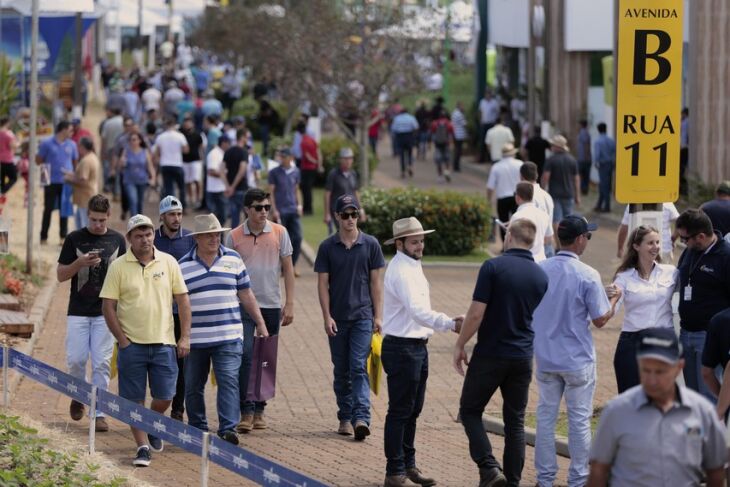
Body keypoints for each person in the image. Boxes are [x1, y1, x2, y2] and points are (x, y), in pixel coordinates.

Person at [453, 219, 549, 487]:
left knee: (470, 410)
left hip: (491, 353)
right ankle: (513, 482)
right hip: (522, 356)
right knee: (515, 423)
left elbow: (476, 314)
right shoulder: (541, 276)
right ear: (532, 241)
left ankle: (489, 468)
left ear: (509, 237)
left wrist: (460, 345)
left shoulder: (493, 267)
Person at [532, 215, 620, 487]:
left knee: (545, 418)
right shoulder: (588, 274)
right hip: (577, 359)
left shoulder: (540, 269)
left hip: (546, 356)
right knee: (579, 421)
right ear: (580, 239)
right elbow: (600, 319)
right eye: (587, 237)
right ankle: (579, 479)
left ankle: (545, 479)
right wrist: (615, 299)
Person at [100, 214, 191, 467]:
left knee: (166, 396)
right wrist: (122, 339)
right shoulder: (118, 266)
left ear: (154, 234)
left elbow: (183, 300)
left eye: (148, 234)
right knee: (133, 400)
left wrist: (185, 336)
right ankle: (142, 447)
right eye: (138, 235)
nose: (145, 239)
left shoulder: (169, 262)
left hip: (164, 342)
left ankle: (151, 423)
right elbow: (108, 306)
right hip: (132, 345)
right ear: (129, 238)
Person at [381, 217, 464, 487]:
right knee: (401, 410)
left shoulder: (411, 265)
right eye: (415, 241)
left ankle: (407, 465)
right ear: (400, 243)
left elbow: (418, 311)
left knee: (412, 410)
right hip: (402, 347)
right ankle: (395, 471)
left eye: (422, 240)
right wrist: (450, 323)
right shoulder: (402, 270)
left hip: (415, 345)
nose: (420, 245)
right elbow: (417, 310)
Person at [587, 327, 726, 487]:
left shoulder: (702, 413)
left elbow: (715, 472)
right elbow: (598, 472)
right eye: (646, 370)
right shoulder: (617, 412)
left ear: (679, 367)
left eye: (660, 372)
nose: (652, 380)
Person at [179, 214, 267, 445]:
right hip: (196, 339)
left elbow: (246, 294)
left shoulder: (234, 259)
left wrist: (260, 322)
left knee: (228, 380)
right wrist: (182, 336)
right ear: (197, 238)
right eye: (208, 235)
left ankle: (228, 428)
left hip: (229, 336)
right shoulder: (182, 266)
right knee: (193, 385)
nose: (214, 238)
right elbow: (177, 304)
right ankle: (198, 428)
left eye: (217, 234)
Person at [314, 194, 385, 440]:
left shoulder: (371, 244)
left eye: (354, 214)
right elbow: (323, 285)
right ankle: (345, 416)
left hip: (363, 317)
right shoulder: (326, 247)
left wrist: (378, 315)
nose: (350, 219)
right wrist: (326, 316)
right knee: (341, 369)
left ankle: (361, 417)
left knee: (357, 366)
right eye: (345, 215)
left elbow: (376, 283)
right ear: (337, 216)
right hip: (337, 318)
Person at [226, 188, 295, 433]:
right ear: (247, 209)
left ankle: (259, 409)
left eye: (267, 207)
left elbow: (288, 269)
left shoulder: (280, 232)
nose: (264, 212)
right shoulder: (233, 236)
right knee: (245, 355)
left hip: (271, 304)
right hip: (241, 306)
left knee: (265, 357)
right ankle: (245, 409)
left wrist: (290, 303)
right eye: (258, 207)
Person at [57, 194, 126, 433]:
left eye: (102, 220)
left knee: (101, 363)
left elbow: (125, 276)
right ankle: (79, 394)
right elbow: (61, 275)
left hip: (105, 312)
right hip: (77, 309)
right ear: (88, 215)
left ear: (108, 217)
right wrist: (80, 263)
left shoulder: (117, 240)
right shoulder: (75, 238)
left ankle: (99, 412)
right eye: (94, 219)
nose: (98, 225)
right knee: (75, 359)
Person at [609, 226, 678, 393]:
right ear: (636, 246)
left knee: (661, 397)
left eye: (657, 242)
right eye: (650, 243)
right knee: (630, 398)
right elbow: (611, 310)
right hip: (632, 342)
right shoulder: (623, 277)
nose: (655, 247)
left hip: (663, 340)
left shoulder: (672, 273)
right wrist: (606, 296)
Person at [675, 209, 730, 400]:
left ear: (700, 236)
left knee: (709, 398)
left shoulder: (725, 256)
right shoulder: (690, 252)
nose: (683, 243)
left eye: (685, 239)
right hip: (686, 334)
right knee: (692, 398)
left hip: (709, 337)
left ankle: (714, 430)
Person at [154, 195, 195, 422]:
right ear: (162, 216)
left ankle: (178, 409)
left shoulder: (190, 239)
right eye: (172, 214)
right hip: (158, 312)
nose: (176, 218)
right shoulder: (153, 239)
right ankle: (159, 401)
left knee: (182, 361)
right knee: (160, 359)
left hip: (181, 311)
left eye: (179, 214)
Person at [37, 120, 79, 244]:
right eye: (70, 129)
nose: (72, 132)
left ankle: (63, 237)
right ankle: (43, 237)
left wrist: (73, 175)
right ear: (63, 129)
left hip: (66, 182)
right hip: (50, 181)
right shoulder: (47, 143)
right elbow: (39, 160)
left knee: (64, 209)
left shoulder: (72, 144)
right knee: (48, 209)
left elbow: (75, 161)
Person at [268, 148, 303, 271]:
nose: (282, 159)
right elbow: (271, 192)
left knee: (297, 237)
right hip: (281, 211)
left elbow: (296, 189)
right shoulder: (274, 172)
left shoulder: (296, 172)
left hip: (293, 209)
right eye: (281, 157)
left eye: (284, 157)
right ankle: (282, 266)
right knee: (281, 241)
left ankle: (291, 266)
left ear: (291, 158)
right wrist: (274, 209)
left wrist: (300, 205)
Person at [486, 143, 523, 242]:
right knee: (517, 221)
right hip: (517, 197)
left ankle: (505, 244)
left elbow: (490, 186)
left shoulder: (496, 166)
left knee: (503, 222)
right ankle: (517, 242)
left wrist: (488, 200)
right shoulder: (519, 164)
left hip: (502, 197)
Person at [324, 148, 365, 235]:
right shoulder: (333, 174)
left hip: (351, 210)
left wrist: (361, 209)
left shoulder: (353, 174)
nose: (348, 161)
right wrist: (327, 213)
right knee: (341, 235)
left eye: (350, 158)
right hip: (338, 211)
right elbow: (327, 194)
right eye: (345, 159)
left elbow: (356, 192)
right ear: (340, 160)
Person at [541, 135, 580, 227]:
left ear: (557, 147)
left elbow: (545, 177)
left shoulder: (551, 160)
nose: (551, 147)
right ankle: (567, 240)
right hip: (569, 194)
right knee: (569, 219)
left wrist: (542, 191)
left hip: (555, 195)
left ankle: (558, 241)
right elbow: (577, 179)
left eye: (552, 145)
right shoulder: (572, 160)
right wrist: (577, 195)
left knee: (556, 219)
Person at [510, 182, 553, 262]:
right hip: (541, 260)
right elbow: (548, 239)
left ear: (518, 197)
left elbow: (510, 243)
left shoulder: (517, 216)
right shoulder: (544, 215)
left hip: (523, 261)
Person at [63, 137, 99, 230]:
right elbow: (81, 175)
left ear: (82, 147)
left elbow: (83, 180)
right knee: (79, 224)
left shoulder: (86, 161)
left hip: (85, 197)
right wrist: (69, 174)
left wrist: (68, 179)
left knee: (85, 225)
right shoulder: (92, 157)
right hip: (86, 197)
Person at [153, 118, 189, 208]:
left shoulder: (161, 137)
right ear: (174, 125)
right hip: (177, 164)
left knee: (169, 187)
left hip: (165, 164)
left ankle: (170, 207)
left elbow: (156, 152)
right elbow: (186, 150)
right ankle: (183, 205)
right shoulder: (180, 136)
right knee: (181, 187)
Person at [120, 131, 155, 217]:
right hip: (129, 180)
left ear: (139, 141)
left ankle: (140, 220)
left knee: (140, 202)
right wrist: (122, 162)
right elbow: (121, 165)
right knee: (133, 200)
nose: (133, 142)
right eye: (131, 140)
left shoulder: (145, 152)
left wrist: (153, 178)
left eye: (135, 139)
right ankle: (134, 222)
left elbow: (150, 166)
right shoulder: (126, 151)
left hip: (142, 180)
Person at [223, 129, 249, 228]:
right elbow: (242, 170)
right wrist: (233, 186)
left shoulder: (228, 151)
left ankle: (233, 241)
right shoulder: (244, 152)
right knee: (249, 216)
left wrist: (228, 186)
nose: (248, 139)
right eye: (247, 137)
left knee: (234, 218)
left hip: (231, 191)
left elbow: (221, 170)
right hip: (241, 188)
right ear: (242, 137)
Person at [204, 135, 231, 225]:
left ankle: (220, 238)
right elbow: (211, 171)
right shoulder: (215, 154)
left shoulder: (221, 153)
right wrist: (226, 174)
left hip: (219, 189)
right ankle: (218, 238)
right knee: (217, 219)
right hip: (215, 191)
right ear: (223, 143)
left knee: (221, 218)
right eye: (228, 143)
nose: (229, 145)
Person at [181, 117, 205, 208]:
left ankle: (198, 198)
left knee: (196, 180)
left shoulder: (198, 134)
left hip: (196, 160)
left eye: (189, 123)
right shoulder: (182, 135)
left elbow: (201, 147)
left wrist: (202, 158)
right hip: (185, 161)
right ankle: (191, 198)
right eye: (185, 123)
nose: (187, 125)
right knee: (187, 181)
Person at [593, 123, 615, 213]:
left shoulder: (598, 141)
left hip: (603, 165)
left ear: (598, 130)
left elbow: (597, 154)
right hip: (610, 164)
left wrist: (595, 163)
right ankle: (599, 204)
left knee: (604, 185)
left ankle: (607, 206)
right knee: (606, 184)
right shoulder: (611, 140)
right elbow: (615, 151)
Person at [391, 108, 419, 178]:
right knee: (410, 153)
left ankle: (403, 171)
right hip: (409, 136)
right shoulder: (411, 117)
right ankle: (410, 165)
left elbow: (393, 129)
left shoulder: (397, 118)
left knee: (402, 155)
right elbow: (416, 127)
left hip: (400, 137)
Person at [299, 124, 320, 215]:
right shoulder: (312, 140)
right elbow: (318, 152)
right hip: (313, 169)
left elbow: (307, 156)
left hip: (306, 168)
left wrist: (314, 161)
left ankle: (307, 209)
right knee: (309, 189)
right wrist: (318, 163)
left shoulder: (303, 142)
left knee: (305, 189)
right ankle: (308, 208)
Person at [429, 110, 453, 183]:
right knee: (447, 159)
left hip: (437, 144)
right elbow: (451, 135)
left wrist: (431, 143)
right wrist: (451, 143)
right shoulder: (449, 123)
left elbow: (432, 134)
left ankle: (439, 176)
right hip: (446, 144)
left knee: (438, 160)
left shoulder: (434, 123)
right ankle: (447, 172)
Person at [477, 90, 500, 163]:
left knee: (491, 141)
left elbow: (497, 112)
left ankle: (491, 158)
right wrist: (480, 120)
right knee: (483, 141)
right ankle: (482, 158)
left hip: (491, 124)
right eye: (486, 94)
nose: (487, 96)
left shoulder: (494, 102)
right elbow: (480, 111)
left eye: (489, 94)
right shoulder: (482, 102)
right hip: (484, 123)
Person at [0, 117, 18, 194]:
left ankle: (2, 192)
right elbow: (13, 146)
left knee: (1, 180)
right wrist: (19, 142)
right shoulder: (8, 134)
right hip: (7, 159)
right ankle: (2, 192)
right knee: (13, 178)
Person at [450, 102, 467, 172]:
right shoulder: (459, 114)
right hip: (459, 134)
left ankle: (455, 165)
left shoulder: (454, 113)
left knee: (456, 150)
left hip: (455, 133)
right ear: (459, 106)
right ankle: (456, 166)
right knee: (458, 151)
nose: (463, 108)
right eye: (462, 106)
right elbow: (464, 124)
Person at [679, 107, 689, 196]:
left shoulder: (685, 123)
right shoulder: (685, 122)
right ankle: (683, 191)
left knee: (681, 170)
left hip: (684, 148)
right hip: (684, 148)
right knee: (682, 170)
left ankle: (683, 191)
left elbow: (684, 136)